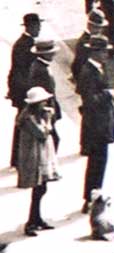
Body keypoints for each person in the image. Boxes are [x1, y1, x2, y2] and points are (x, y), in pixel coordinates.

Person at [77, 34, 114, 214]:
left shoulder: (100, 68)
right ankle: (90, 198)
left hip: (102, 124)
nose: (106, 55)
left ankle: (94, 195)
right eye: (104, 52)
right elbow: (90, 100)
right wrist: (108, 94)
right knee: (96, 163)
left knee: (100, 163)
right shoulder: (88, 72)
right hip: (96, 126)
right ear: (96, 52)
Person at [17, 87, 59, 236]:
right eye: (43, 101)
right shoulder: (29, 118)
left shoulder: (36, 114)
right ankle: (31, 222)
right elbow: (42, 133)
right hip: (33, 158)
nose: (45, 103)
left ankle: (37, 218)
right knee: (38, 189)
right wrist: (48, 120)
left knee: (41, 189)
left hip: (41, 155)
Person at [7, 13, 42, 168]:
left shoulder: (25, 43)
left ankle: (17, 158)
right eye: (37, 26)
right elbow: (23, 72)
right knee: (23, 124)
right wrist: (30, 92)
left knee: (22, 124)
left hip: (21, 89)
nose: (39, 29)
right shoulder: (25, 46)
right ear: (30, 27)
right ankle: (18, 158)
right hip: (24, 92)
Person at [29, 38, 61, 150]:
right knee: (52, 140)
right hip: (44, 108)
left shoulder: (40, 66)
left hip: (47, 106)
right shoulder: (41, 69)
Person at [71, 7, 108, 85]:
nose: (99, 30)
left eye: (100, 28)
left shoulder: (94, 39)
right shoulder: (84, 43)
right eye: (97, 27)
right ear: (89, 25)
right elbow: (78, 64)